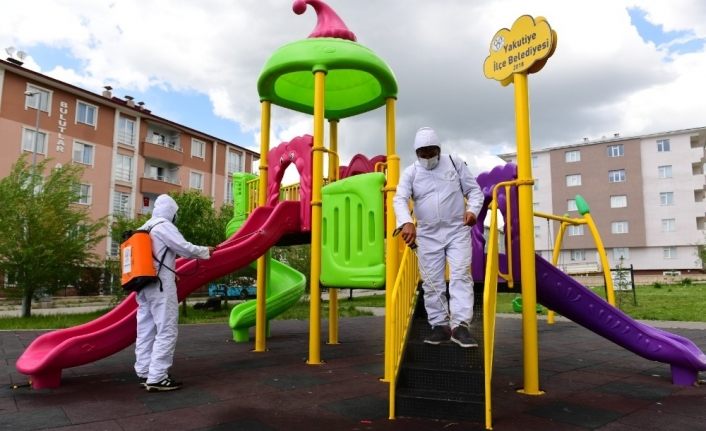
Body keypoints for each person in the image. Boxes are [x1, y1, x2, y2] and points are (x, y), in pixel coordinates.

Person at [392, 127, 484, 348]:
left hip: (457, 229)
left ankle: (460, 326)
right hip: (428, 233)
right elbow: (399, 198)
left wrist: (473, 211)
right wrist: (406, 222)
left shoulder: (454, 163)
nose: (427, 157)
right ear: (416, 153)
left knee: (461, 274)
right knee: (432, 281)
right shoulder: (411, 172)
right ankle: (440, 326)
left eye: (431, 152)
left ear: (438, 149)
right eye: (422, 153)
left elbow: (475, 192)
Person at [135, 194, 214, 391]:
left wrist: (171, 272)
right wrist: (206, 251)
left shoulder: (144, 227)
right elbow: (184, 248)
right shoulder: (164, 226)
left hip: (142, 284)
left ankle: (145, 371)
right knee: (166, 329)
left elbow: (154, 257)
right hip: (160, 286)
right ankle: (157, 376)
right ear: (172, 212)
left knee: (145, 329)